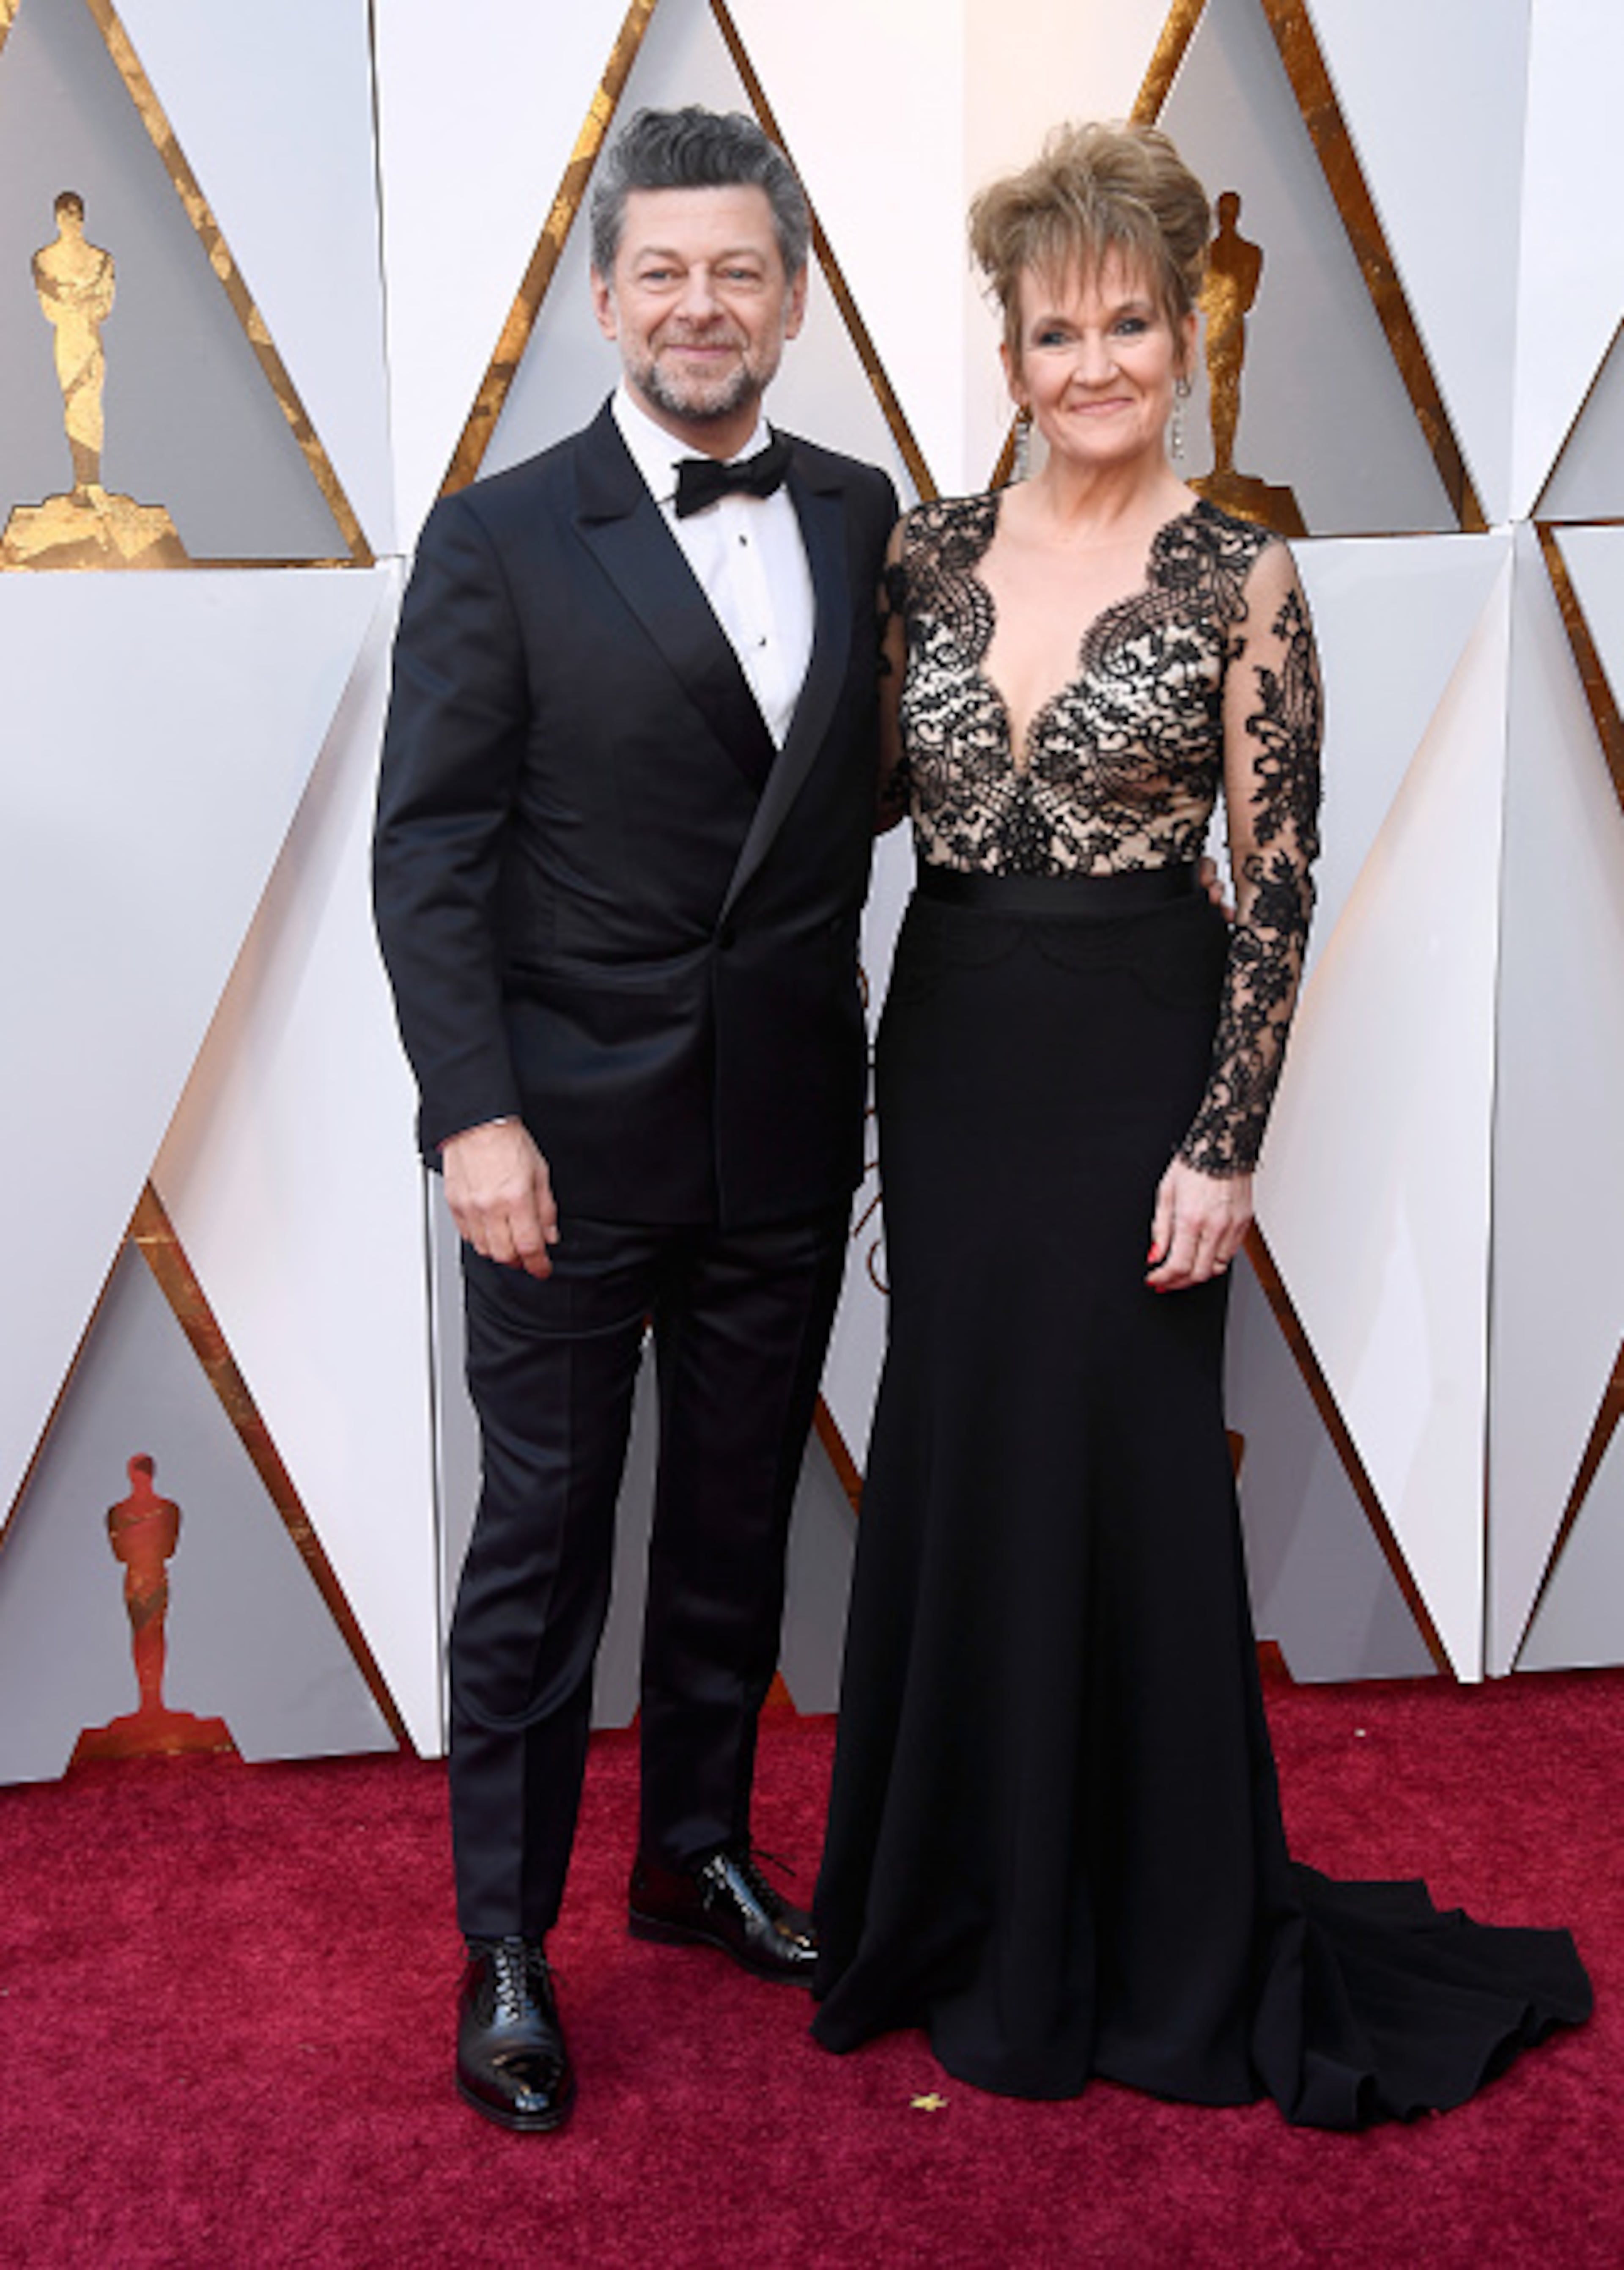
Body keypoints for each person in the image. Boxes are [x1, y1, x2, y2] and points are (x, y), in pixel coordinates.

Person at [810, 121, 1591, 2125]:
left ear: (1183, 335)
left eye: (1128, 324)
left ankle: (1143, 1929)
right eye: (1054, 330)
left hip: (1141, 1056)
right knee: (960, 1455)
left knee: (1129, 1480)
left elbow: (1280, 880)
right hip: (956, 1052)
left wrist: (1223, 1143)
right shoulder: (924, 554)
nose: (1093, 365)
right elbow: (865, 801)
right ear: (1010, 352)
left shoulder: (1244, 573)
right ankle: (954, 1904)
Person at [373, 107, 896, 2133]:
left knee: (734, 1522)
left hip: (787, 1124)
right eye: (663, 271)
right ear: (605, 298)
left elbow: (870, 781)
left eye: (737, 270)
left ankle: (693, 1856)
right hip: (559, 1152)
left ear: (792, 299)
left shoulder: (859, 511)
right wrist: (472, 1118)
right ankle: (505, 1939)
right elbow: (430, 853)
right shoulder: (497, 537)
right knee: (541, 1540)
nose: (700, 304)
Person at [33, 191, 115, 498]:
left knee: (91, 404)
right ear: (57, 218)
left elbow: (105, 306)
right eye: (66, 213)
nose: (72, 218)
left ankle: (92, 480)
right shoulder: (45, 259)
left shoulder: (102, 260)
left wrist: (77, 300)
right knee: (75, 402)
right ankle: (83, 480)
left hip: (91, 336)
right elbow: (51, 307)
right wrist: (80, 300)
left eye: (77, 212)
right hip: (69, 338)